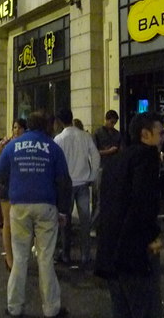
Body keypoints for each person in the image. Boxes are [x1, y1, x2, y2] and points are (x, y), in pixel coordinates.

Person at [0, 111, 72, 318]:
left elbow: (0, 173)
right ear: (45, 125)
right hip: (46, 205)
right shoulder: (53, 147)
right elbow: (64, 181)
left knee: (19, 258)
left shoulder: (13, 146)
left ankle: (14, 307)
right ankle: (51, 309)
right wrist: (63, 210)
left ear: (28, 125)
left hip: (19, 205)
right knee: (45, 258)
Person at [95, 111, 164, 318]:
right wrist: (151, 236)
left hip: (109, 250)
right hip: (132, 252)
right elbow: (143, 202)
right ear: (145, 134)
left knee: (121, 309)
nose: (163, 139)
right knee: (144, 308)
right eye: (160, 133)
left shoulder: (116, 161)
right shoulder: (147, 157)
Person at [53, 109, 100, 266]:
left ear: (59, 121)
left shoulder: (59, 139)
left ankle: (65, 254)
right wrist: (92, 176)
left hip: (66, 185)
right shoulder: (85, 136)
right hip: (83, 184)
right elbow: (95, 156)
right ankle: (85, 255)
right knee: (85, 221)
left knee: (65, 221)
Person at [0, 118, 27, 271]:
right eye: (14, 128)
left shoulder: (24, 145)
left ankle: (18, 255)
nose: (16, 131)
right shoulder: (8, 144)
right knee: (8, 223)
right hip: (7, 186)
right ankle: (9, 258)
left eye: (19, 128)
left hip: (21, 186)